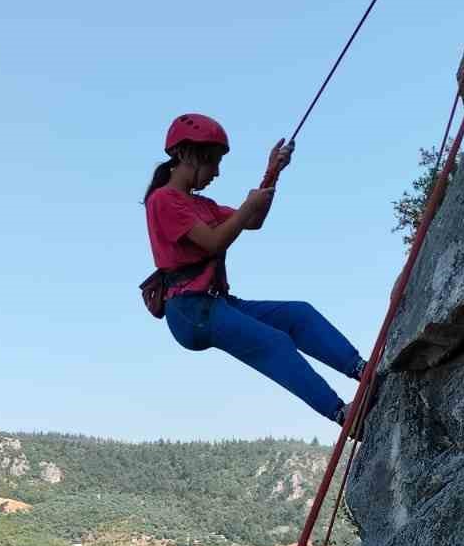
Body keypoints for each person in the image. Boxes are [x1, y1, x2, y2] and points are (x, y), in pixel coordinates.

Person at [144, 113, 372, 432]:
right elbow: (213, 242)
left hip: (214, 304)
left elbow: (252, 220)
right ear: (185, 155)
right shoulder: (163, 201)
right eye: (211, 162)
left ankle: (363, 370)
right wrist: (248, 205)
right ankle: (340, 414)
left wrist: (272, 174)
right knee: (275, 343)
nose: (216, 172)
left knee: (299, 315)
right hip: (190, 310)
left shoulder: (202, 205)